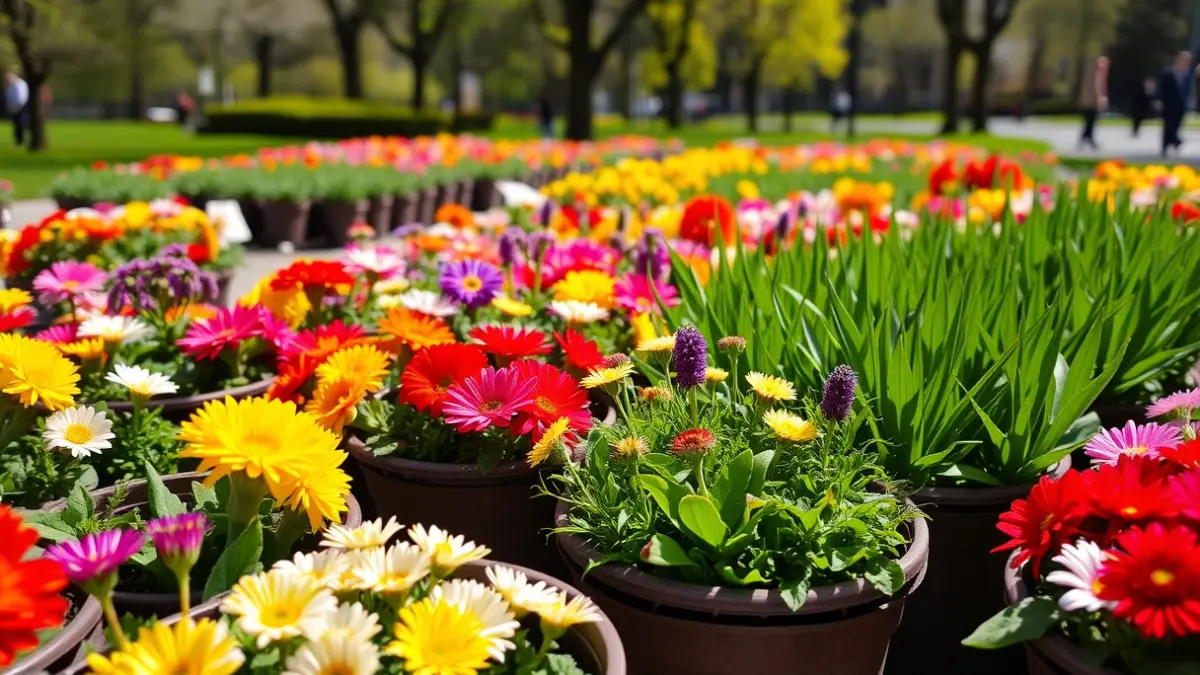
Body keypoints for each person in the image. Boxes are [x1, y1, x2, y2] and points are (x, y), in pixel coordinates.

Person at [1157, 50, 1200, 156]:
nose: (1186, 62)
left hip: (1182, 104)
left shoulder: (1190, 73)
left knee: (1176, 125)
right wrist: (1158, 100)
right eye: (1184, 59)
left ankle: (1175, 142)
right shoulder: (1168, 72)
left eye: (1188, 60)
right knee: (1168, 125)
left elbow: (1191, 89)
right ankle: (1170, 144)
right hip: (1168, 104)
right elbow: (1161, 89)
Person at [1077, 56, 1109, 151]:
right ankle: (1088, 139)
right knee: (1090, 122)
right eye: (1104, 65)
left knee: (1089, 122)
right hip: (1091, 103)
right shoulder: (1096, 75)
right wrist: (1101, 99)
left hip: (1089, 102)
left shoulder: (1096, 74)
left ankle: (1086, 139)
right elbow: (1097, 89)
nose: (1106, 67)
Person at [4, 70, 29, 147]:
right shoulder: (11, 85)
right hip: (14, 108)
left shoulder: (19, 84)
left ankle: (22, 140)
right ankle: (19, 141)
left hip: (21, 107)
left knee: (22, 124)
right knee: (17, 125)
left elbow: (21, 97)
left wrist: (17, 107)